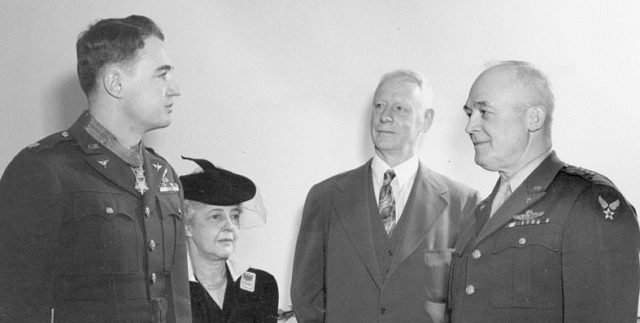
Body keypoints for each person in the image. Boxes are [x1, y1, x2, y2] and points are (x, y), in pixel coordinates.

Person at [0, 15, 190, 322]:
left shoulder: (164, 175)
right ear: (115, 83)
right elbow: (15, 304)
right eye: (161, 75)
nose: (175, 89)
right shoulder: (44, 170)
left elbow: (179, 303)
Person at [448, 61, 640, 322]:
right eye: (469, 113)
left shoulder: (587, 201)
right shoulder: (480, 212)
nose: (470, 126)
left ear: (534, 119)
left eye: (484, 112)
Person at [291, 69, 481, 322]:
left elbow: (467, 306)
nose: (385, 117)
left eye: (400, 108)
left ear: (426, 120)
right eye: (379, 105)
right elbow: (306, 297)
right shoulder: (325, 197)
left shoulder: (463, 203)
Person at [180, 156, 279, 323]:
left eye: (234, 216)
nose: (230, 226)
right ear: (187, 225)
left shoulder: (261, 285)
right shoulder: (170, 290)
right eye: (216, 217)